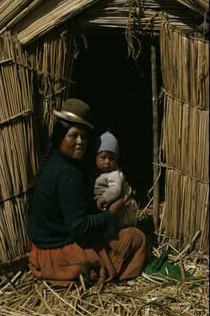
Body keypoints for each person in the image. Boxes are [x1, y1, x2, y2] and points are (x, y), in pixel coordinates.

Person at [27, 98, 146, 285]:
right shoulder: (67, 174)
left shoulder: (58, 163)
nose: (80, 142)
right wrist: (111, 214)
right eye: (73, 136)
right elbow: (80, 229)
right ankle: (106, 273)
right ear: (61, 136)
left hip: (42, 250)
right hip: (57, 256)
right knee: (136, 237)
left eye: (84, 136)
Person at [94, 131, 138, 228]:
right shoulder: (99, 173)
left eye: (112, 158)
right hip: (113, 209)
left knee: (120, 225)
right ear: (95, 157)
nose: (107, 162)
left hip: (123, 211)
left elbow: (115, 190)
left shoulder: (115, 174)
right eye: (103, 157)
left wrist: (103, 198)